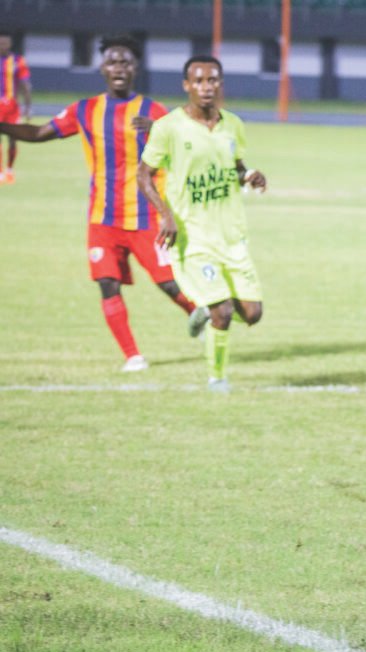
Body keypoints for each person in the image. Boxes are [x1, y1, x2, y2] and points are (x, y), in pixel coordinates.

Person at [0, 36, 200, 372]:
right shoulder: (85, 110)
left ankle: (198, 314)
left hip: (145, 216)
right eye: (112, 61)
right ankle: (133, 356)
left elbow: (187, 145)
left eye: (125, 62)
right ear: (103, 68)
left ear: (135, 68)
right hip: (102, 219)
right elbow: (39, 133)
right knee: (107, 283)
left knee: (168, 284)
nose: (119, 67)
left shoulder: (153, 111)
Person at [138, 55, 267, 393]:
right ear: (187, 85)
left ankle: (206, 313)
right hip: (192, 236)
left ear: (220, 84)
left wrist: (250, 175)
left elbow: (236, 166)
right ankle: (216, 379)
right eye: (198, 81)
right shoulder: (168, 127)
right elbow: (143, 174)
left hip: (232, 235)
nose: (206, 87)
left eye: (212, 80)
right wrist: (166, 215)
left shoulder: (233, 124)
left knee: (252, 314)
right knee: (223, 311)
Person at [0, 32, 32, 183]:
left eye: (5, 43)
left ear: (10, 44)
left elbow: (25, 84)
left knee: (13, 138)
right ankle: (0, 172)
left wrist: (28, 106)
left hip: (12, 106)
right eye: (0, 43)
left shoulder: (18, 61)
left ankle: (9, 169)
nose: (2, 46)